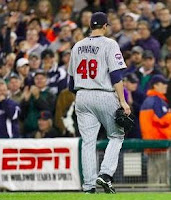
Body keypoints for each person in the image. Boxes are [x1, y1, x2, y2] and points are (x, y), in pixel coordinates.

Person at [68, 12, 131, 193]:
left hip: (82, 95)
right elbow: (116, 76)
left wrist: (82, 98)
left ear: (90, 26)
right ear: (105, 26)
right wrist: (123, 101)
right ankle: (104, 175)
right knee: (116, 136)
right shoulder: (110, 44)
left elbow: (71, 83)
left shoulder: (77, 46)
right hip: (104, 93)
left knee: (88, 142)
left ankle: (88, 187)